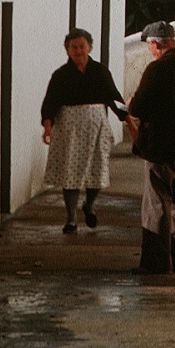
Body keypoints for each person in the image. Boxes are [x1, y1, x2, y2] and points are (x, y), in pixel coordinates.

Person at [127, 20, 175, 274]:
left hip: (161, 150)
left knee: (157, 206)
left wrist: (130, 104)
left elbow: (138, 108)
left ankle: (156, 263)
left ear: (155, 44)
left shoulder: (156, 70)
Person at [41, 28, 127, 234]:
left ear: (89, 47)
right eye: (74, 47)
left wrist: (127, 120)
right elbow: (50, 102)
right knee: (70, 172)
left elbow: (113, 97)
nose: (78, 51)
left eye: (82, 46)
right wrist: (47, 126)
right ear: (68, 50)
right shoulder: (61, 75)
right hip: (69, 130)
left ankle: (89, 205)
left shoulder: (100, 71)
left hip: (96, 128)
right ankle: (71, 218)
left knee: (96, 171)